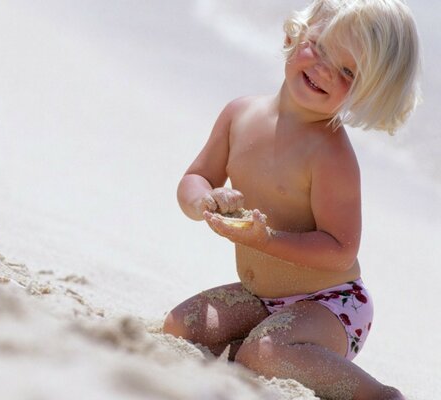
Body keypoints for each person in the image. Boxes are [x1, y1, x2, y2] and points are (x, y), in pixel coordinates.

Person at [163, 0, 420, 399]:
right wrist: (204, 201)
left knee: (265, 355)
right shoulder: (239, 114)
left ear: (368, 91)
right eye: (320, 47)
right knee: (179, 329)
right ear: (294, 34)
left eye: (348, 71)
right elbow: (196, 178)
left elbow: (340, 249)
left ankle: (381, 396)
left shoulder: (330, 155)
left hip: (331, 305)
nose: (324, 69)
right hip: (261, 296)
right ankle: (244, 355)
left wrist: (266, 242)